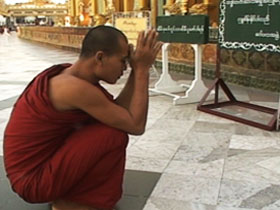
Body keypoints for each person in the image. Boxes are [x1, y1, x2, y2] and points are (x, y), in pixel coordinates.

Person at [3, 25, 163, 210]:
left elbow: (119, 113)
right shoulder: (74, 88)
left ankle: (72, 197)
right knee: (112, 136)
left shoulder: (72, 75)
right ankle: (72, 204)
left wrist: (136, 71)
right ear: (100, 57)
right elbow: (135, 125)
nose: (125, 68)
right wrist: (143, 70)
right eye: (122, 61)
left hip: (38, 169)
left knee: (109, 127)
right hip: (33, 182)